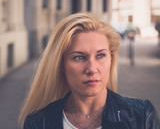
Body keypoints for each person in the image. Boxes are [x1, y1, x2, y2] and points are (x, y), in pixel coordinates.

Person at [19, 12, 160, 129]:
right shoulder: (38, 123)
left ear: (111, 58)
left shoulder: (141, 116)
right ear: (61, 64)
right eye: (79, 57)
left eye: (100, 55)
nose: (92, 69)